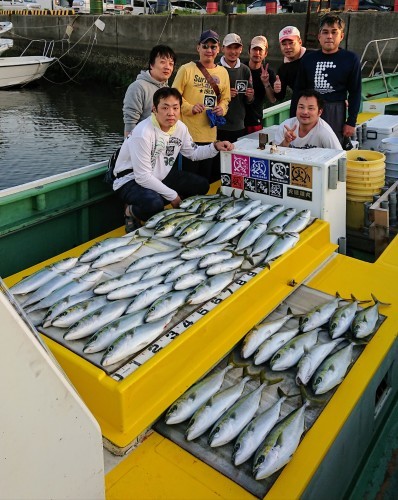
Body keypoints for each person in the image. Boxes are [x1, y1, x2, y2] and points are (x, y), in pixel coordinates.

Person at [113, 87, 234, 232]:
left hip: (158, 175)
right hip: (130, 179)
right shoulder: (143, 133)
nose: (171, 113)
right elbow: (142, 177)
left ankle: (170, 208)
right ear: (154, 109)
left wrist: (215, 146)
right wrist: (173, 196)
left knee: (201, 185)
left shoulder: (180, 128)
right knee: (154, 204)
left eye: (175, 108)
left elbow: (193, 153)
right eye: (165, 107)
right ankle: (130, 211)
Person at [291, 14, 361, 144]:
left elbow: (355, 92)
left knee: (332, 148)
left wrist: (351, 121)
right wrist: (292, 119)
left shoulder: (351, 59)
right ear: (319, 36)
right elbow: (298, 90)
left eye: (334, 32)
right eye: (325, 32)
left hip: (336, 111)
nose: (329, 36)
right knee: (307, 146)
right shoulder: (308, 59)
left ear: (341, 36)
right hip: (309, 109)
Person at [172, 30, 231, 182]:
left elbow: (226, 99)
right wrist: (189, 107)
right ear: (198, 48)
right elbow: (173, 97)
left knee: (204, 181)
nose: (209, 50)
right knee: (188, 181)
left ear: (219, 49)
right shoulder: (186, 69)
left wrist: (222, 109)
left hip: (210, 136)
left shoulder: (223, 72)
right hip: (187, 136)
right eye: (205, 46)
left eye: (213, 47)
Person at [123, 45, 176, 137]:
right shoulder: (138, 87)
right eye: (163, 62)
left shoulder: (168, 90)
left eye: (171, 64)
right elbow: (130, 123)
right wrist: (130, 146)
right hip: (142, 142)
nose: (167, 67)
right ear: (151, 65)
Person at [217, 33, 254, 143]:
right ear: (223, 49)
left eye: (236, 48)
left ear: (241, 49)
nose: (233, 52)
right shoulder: (215, 69)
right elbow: (207, 97)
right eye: (229, 47)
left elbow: (250, 101)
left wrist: (250, 96)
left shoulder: (245, 70)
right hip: (218, 125)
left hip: (238, 125)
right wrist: (224, 95)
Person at [275, 90, 342, 150]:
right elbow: (274, 154)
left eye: (310, 108)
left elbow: (340, 158)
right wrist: (286, 142)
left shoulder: (325, 132)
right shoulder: (286, 126)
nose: (305, 112)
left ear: (319, 112)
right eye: (301, 107)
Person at [244, 35, 276, 134]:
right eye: (254, 49)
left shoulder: (268, 73)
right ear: (249, 51)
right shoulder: (240, 68)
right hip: (237, 121)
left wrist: (266, 83)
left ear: (265, 53)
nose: (257, 53)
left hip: (255, 120)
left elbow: (272, 99)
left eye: (260, 50)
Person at [273, 26, 306, 109]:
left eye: (291, 43)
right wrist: (277, 89)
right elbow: (280, 96)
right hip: (298, 107)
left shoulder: (312, 57)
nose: (287, 47)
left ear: (300, 42)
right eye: (284, 44)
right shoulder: (283, 69)